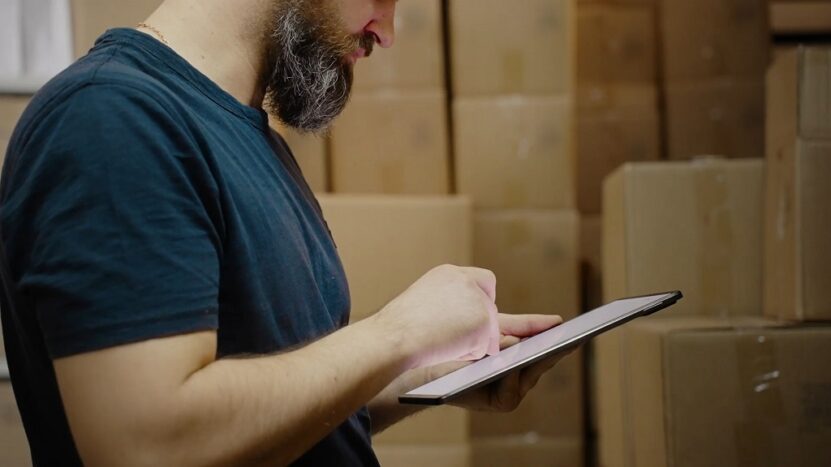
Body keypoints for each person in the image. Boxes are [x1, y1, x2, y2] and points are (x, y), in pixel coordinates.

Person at [0, 0, 569, 465]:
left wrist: (421, 379)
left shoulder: (247, 134)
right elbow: (151, 446)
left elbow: (262, 414)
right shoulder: (111, 120)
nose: (388, 31)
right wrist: (401, 333)